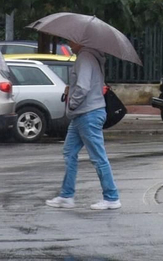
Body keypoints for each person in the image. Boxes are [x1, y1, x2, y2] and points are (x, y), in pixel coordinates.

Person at [46, 42, 120, 211]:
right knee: (69, 152)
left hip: (88, 113)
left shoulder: (85, 57)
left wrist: (72, 102)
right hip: (83, 114)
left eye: (72, 40)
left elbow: (83, 86)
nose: (69, 43)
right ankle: (66, 196)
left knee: (98, 157)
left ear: (81, 40)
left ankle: (111, 197)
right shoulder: (91, 57)